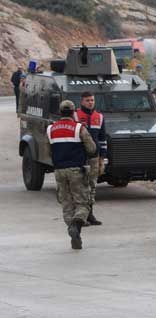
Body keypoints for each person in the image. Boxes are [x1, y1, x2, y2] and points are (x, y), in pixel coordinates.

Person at [46, 100, 97, 249]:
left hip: (59, 171)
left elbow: (47, 151)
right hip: (76, 170)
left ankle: (74, 232)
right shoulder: (79, 128)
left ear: (60, 112)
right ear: (73, 112)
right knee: (83, 203)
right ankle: (76, 225)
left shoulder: (50, 129)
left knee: (67, 204)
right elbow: (92, 148)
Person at [75, 91, 106, 226]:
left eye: (92, 100)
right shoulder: (75, 115)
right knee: (80, 187)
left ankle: (90, 215)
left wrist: (102, 159)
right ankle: (80, 216)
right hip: (79, 158)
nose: (90, 102)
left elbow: (103, 139)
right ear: (82, 102)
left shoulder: (99, 117)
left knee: (92, 187)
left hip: (94, 158)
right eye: (87, 100)